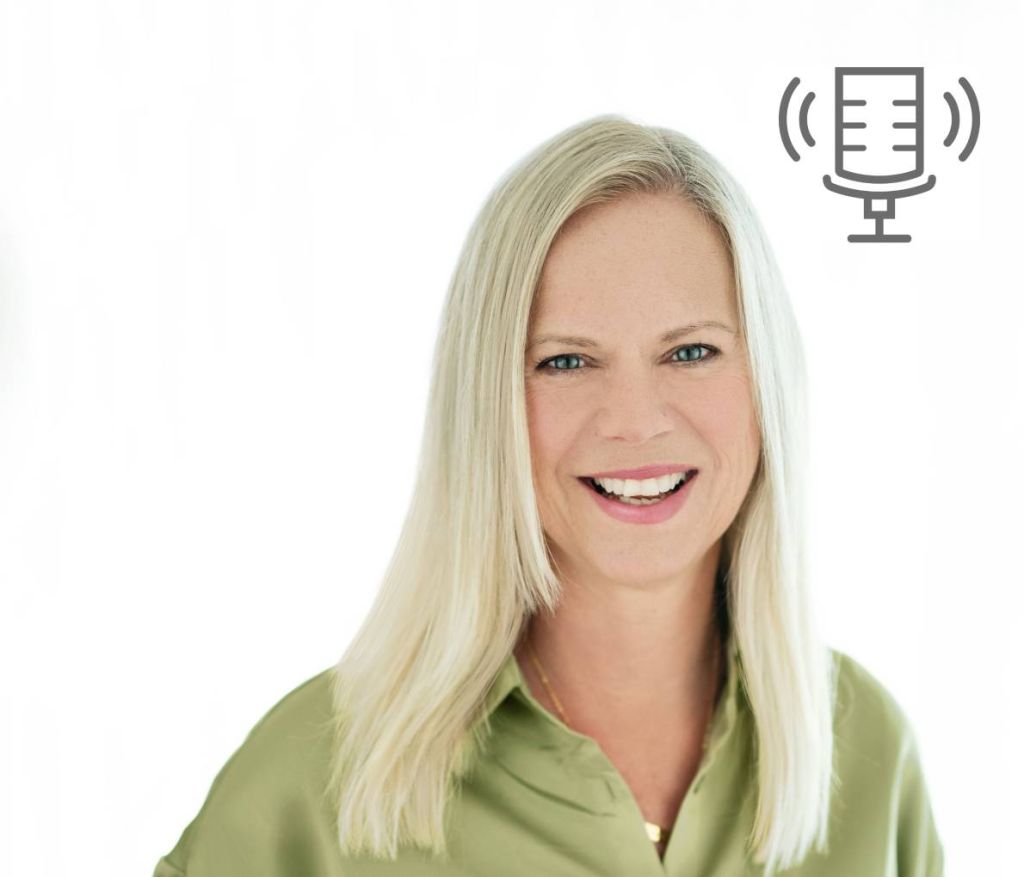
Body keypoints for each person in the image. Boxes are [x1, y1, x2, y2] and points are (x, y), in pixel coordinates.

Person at [154, 114, 945, 876]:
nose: (636, 422)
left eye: (692, 350)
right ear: (487, 404)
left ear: (768, 384)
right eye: (566, 362)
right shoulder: (309, 794)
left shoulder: (870, 760)